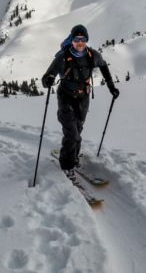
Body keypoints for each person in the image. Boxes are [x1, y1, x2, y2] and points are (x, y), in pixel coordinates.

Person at [41, 24, 120, 178]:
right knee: (72, 133)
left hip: (83, 97)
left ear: (86, 40)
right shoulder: (62, 57)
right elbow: (46, 77)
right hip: (65, 97)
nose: (80, 43)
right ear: (72, 40)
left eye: (83, 39)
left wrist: (111, 87)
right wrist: (49, 80)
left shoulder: (92, 55)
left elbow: (103, 66)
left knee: (78, 128)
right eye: (77, 39)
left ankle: (73, 156)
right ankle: (67, 165)